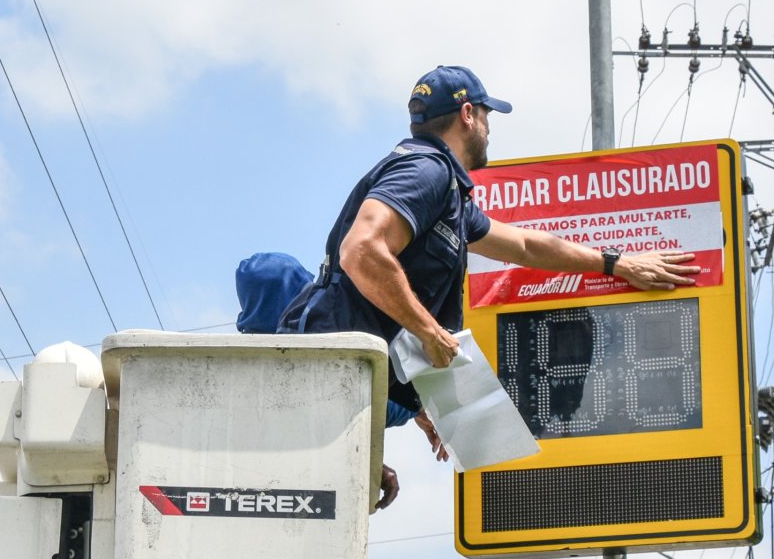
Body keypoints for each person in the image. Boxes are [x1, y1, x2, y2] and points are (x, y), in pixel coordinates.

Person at [278, 65, 700, 508]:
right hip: (328, 375)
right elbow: (361, 251)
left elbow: (524, 246)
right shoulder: (426, 172)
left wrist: (616, 264)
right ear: (467, 115)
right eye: (486, 117)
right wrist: (428, 331)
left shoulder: (451, 197)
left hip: (351, 383)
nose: (487, 129)